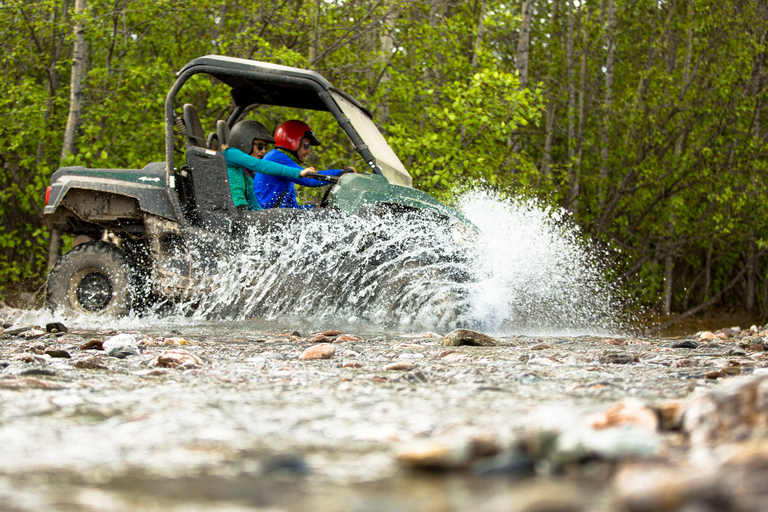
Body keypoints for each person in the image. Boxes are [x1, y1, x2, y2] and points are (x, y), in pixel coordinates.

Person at [256, 120, 354, 209]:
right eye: (306, 146)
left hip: (272, 217)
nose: (308, 152)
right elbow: (309, 180)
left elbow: (291, 208)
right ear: (292, 142)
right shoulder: (276, 158)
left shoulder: (285, 169)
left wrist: (316, 207)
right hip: (264, 218)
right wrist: (341, 173)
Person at [223, 120, 316, 211]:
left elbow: (257, 211)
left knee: (277, 218)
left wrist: (314, 209)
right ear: (244, 143)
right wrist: (299, 172)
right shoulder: (230, 154)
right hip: (230, 216)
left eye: (264, 147)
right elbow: (261, 165)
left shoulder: (247, 179)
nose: (263, 151)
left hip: (241, 216)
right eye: (260, 146)